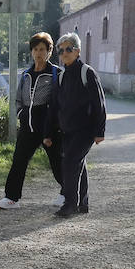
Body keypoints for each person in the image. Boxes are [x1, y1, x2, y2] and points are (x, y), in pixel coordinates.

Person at [0, 31, 64, 210]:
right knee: (18, 160)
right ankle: (11, 198)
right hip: (28, 126)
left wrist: (55, 124)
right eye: (35, 49)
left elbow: (61, 102)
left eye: (42, 49)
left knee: (57, 161)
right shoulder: (26, 74)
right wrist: (21, 115)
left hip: (50, 127)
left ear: (49, 51)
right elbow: (18, 99)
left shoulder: (57, 74)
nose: (39, 53)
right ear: (31, 52)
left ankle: (68, 192)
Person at [43, 31, 106, 217]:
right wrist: (48, 133)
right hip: (67, 131)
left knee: (70, 163)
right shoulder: (61, 76)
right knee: (78, 163)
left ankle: (69, 204)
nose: (64, 54)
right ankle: (82, 203)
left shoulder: (87, 72)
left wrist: (100, 131)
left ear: (77, 51)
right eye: (60, 51)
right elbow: (54, 107)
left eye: (68, 49)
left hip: (85, 130)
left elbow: (99, 103)